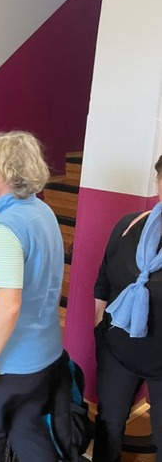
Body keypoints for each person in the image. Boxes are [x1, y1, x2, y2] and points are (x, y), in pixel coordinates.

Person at [0, 131, 64, 462]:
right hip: (42, 357)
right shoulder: (42, 211)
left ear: (9, 174)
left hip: (7, 364)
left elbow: (8, 306)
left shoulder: (7, 230)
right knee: (28, 432)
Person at [92, 154, 162, 462]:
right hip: (117, 351)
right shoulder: (129, 225)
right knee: (108, 425)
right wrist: (100, 326)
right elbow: (103, 281)